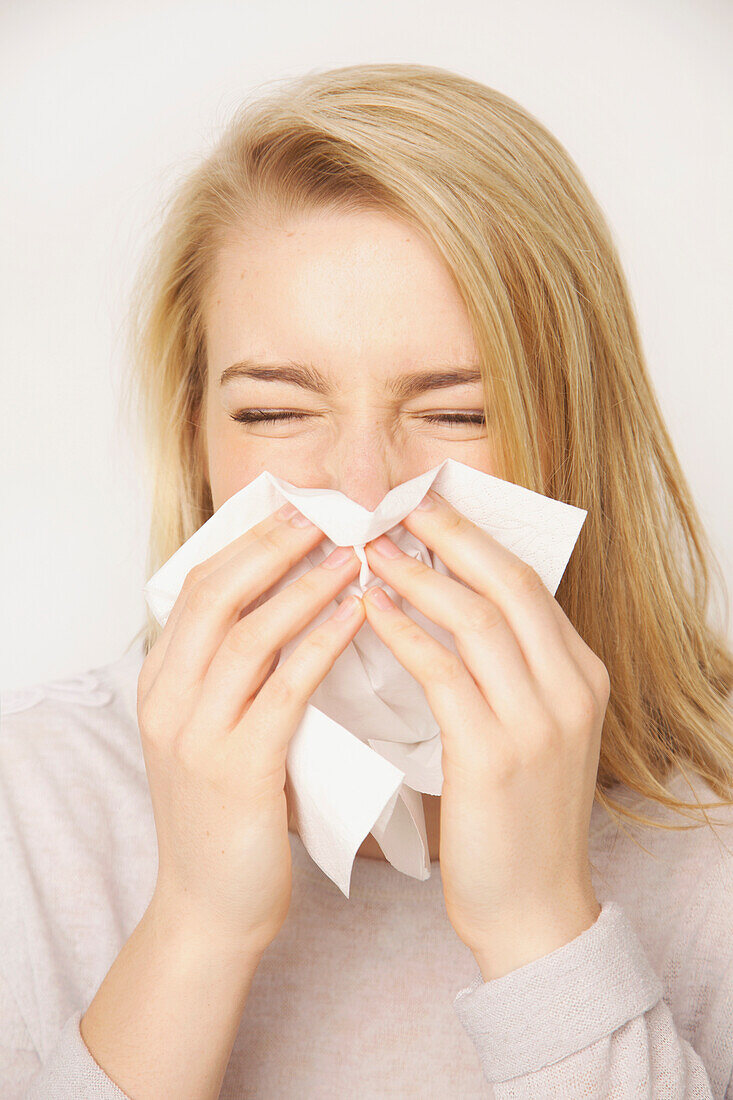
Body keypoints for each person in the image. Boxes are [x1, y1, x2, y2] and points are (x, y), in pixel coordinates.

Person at [2, 62, 732, 1100]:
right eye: (273, 412)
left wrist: (538, 925)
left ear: (575, 437)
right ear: (195, 433)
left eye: (456, 411)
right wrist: (197, 925)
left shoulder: (709, 841)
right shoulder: (30, 802)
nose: (361, 487)